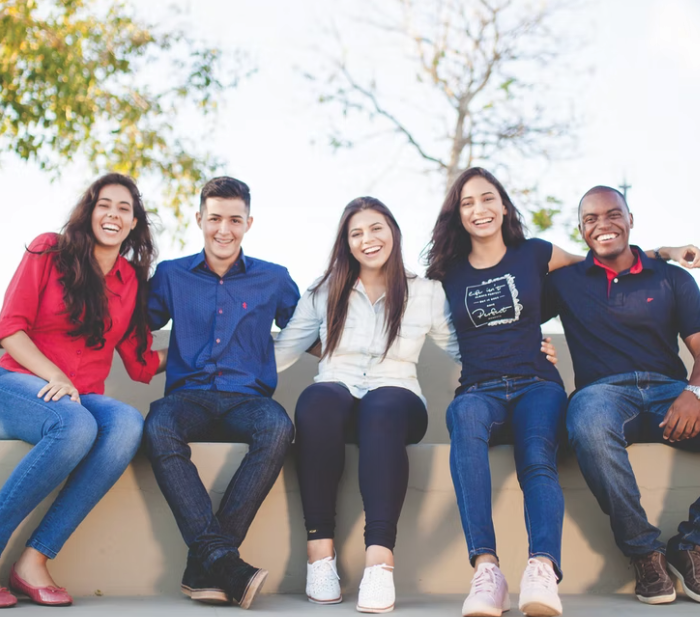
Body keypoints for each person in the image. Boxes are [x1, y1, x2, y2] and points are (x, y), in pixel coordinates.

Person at [424, 167, 697, 617]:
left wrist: (665, 252)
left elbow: (613, 256)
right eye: (468, 202)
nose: (480, 209)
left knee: (539, 452)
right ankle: (495, 569)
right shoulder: (463, 275)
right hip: (535, 391)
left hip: (600, 387)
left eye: (488, 198)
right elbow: (483, 317)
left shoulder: (546, 256)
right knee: (499, 421)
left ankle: (557, 566)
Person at [274, 196, 479, 614]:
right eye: (356, 233)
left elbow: (467, 349)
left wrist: (526, 353)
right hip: (337, 397)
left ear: (393, 233)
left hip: (397, 400)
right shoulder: (324, 290)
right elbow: (282, 351)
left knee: (381, 408)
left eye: (376, 228)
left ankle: (379, 563)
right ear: (346, 243)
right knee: (316, 400)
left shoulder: (426, 293)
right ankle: (320, 556)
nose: (367, 239)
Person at [0, 173, 164, 608]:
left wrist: (210, 349)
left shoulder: (130, 281)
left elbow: (140, 361)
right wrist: (54, 375)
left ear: (133, 224)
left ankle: (33, 560)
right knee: (75, 427)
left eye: (124, 208)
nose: (113, 214)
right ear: (90, 211)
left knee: (127, 424)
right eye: (104, 204)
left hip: (80, 395)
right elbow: (9, 329)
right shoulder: (48, 249)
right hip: (18, 381)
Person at [144, 176, 299, 610]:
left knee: (278, 428)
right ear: (199, 219)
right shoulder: (172, 274)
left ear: (249, 222)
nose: (224, 230)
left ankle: (208, 564)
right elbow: (132, 323)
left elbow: (314, 328)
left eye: (235, 219)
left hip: (248, 400)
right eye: (215, 219)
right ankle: (226, 564)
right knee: (157, 427)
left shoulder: (274, 278)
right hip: (186, 397)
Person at [545, 185, 700, 606]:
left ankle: (690, 545)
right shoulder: (564, 282)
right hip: (604, 394)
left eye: (613, 214)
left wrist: (694, 391)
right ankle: (644, 553)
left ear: (631, 220)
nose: (603, 225)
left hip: (670, 391)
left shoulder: (672, 277)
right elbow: (511, 308)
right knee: (588, 424)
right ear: (581, 230)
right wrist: (534, 346)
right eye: (590, 219)